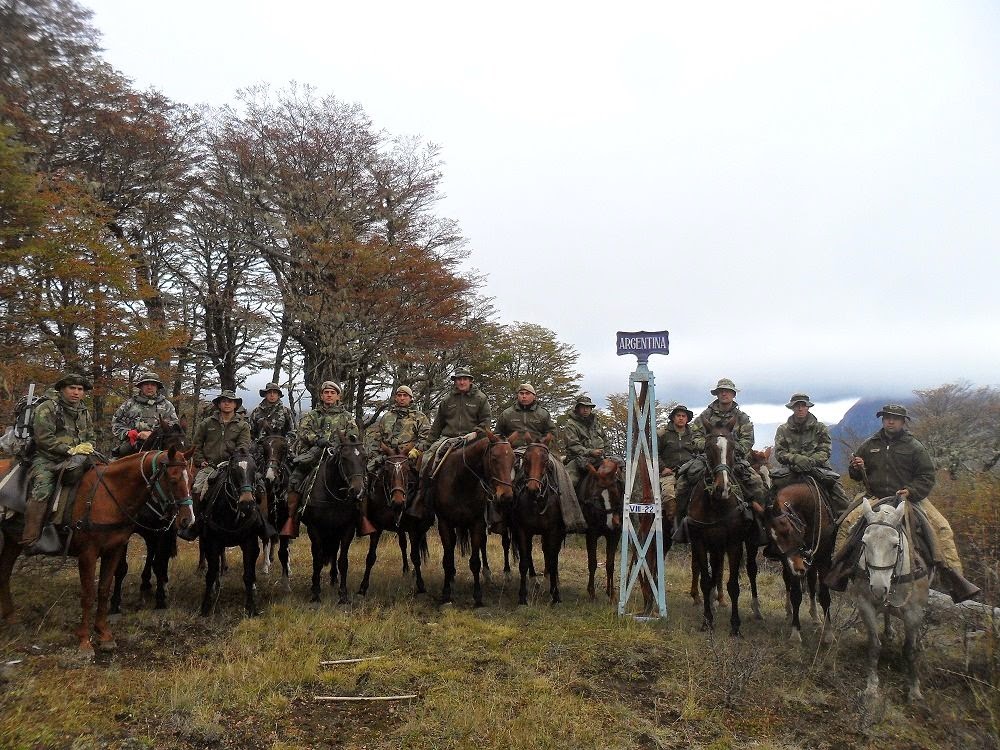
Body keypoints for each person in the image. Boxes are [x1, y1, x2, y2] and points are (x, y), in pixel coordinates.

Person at [826, 404, 980, 602]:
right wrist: (857, 467)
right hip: (876, 496)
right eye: (887, 417)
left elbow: (926, 476)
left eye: (895, 418)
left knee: (942, 528)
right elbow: (855, 475)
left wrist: (912, 491)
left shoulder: (914, 446)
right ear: (882, 420)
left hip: (908, 498)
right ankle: (840, 571)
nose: (890, 421)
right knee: (845, 523)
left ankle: (954, 579)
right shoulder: (869, 444)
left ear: (902, 422)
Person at [674, 378, 767, 543]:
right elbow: (695, 436)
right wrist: (709, 447)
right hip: (708, 458)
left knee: (757, 483)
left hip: (735, 459)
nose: (724, 393)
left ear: (733, 394)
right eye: (721, 391)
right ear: (717, 394)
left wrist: (731, 449)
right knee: (683, 482)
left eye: (728, 391)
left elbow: (748, 440)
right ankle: (681, 523)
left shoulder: (742, 417)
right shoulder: (705, 415)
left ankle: (760, 527)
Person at [21, 373, 97, 550]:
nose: (76, 392)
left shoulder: (83, 410)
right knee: (43, 488)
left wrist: (88, 446)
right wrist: (69, 449)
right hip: (47, 458)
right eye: (72, 388)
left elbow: (92, 435)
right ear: (62, 389)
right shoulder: (47, 408)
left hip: (78, 458)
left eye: (80, 389)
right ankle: (31, 538)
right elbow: (43, 438)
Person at [410, 368, 493, 522]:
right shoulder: (447, 400)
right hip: (448, 438)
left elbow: (486, 421)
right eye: (458, 379)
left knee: (492, 463)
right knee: (427, 459)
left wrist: (475, 432)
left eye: (464, 379)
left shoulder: (481, 398)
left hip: (473, 439)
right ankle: (421, 497)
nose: (461, 382)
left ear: (470, 380)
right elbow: (437, 426)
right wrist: (427, 445)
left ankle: (493, 505)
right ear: (455, 381)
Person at [281, 381, 360, 538]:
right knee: (295, 479)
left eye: (332, 393)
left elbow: (353, 435)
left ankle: (361, 517)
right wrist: (317, 439)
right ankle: (292, 518)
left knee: (359, 478)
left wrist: (340, 444)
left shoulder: (347, 417)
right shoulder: (311, 415)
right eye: (326, 393)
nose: (329, 395)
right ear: (321, 396)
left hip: (339, 454)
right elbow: (303, 431)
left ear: (338, 396)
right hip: (314, 453)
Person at [179, 390, 253, 541]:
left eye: (230, 401)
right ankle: (197, 524)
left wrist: (234, 460)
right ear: (219, 404)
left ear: (235, 405)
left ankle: (255, 522)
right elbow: (196, 445)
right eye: (224, 401)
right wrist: (200, 461)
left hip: (232, 465)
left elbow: (244, 445)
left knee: (252, 487)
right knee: (197, 488)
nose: (227, 403)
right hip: (210, 465)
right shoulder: (206, 423)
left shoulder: (243, 425)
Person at [772, 393, 851, 515]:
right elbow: (779, 452)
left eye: (803, 405)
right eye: (797, 405)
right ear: (792, 408)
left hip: (818, 468)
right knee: (770, 496)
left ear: (808, 407)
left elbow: (825, 450)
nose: (800, 408)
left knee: (839, 496)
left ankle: (845, 522)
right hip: (791, 469)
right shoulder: (783, 429)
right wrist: (796, 459)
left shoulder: (820, 428)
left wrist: (810, 461)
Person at [365, 385, 430, 524]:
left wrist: (415, 451)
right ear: (395, 397)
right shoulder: (387, 416)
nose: (401, 398)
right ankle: (364, 516)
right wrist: (374, 455)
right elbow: (377, 438)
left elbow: (426, 438)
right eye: (399, 395)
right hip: (387, 457)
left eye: (405, 396)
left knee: (426, 479)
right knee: (365, 474)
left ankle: (424, 513)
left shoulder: (419, 417)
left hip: (410, 457)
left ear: (410, 398)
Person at [110, 370, 179, 456]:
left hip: (159, 448)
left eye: (153, 385)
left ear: (157, 387)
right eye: (146, 384)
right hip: (132, 446)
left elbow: (174, 428)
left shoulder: (167, 406)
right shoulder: (129, 404)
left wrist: (152, 434)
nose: (149, 387)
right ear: (141, 386)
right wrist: (128, 433)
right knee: (113, 466)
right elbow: (116, 423)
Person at [656, 404, 696, 523]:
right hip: (669, 472)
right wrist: (662, 468)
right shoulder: (662, 434)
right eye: (678, 415)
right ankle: (673, 521)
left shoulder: (694, 435)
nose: (681, 418)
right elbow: (654, 454)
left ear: (687, 419)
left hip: (690, 471)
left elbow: (700, 453)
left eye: (684, 416)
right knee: (668, 493)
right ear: (673, 418)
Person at [561, 395, 609, 489]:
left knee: (619, 472)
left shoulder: (596, 423)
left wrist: (606, 453)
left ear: (591, 409)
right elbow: (573, 445)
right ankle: (566, 502)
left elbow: (605, 439)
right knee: (569, 482)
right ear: (577, 408)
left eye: (588, 407)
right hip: (577, 458)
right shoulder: (571, 424)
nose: (585, 410)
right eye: (583, 407)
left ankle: (624, 500)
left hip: (600, 457)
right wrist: (591, 452)